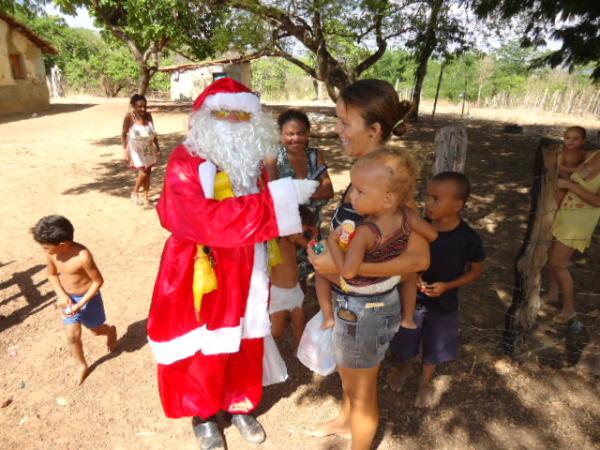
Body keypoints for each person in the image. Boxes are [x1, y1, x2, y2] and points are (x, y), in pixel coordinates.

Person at [146, 78, 318, 450]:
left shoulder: (251, 162)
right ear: (205, 117)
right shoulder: (185, 161)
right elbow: (197, 220)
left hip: (251, 265)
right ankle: (205, 414)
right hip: (201, 269)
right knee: (205, 343)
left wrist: (287, 208)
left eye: (244, 114)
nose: (234, 122)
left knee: (247, 338)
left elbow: (260, 213)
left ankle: (240, 403)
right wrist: (279, 203)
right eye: (224, 113)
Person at [307, 79, 431, 450]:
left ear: (374, 130)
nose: (337, 130)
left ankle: (356, 426)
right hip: (351, 304)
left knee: (364, 390)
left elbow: (418, 258)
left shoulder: (390, 181)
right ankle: (345, 421)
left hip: (368, 308)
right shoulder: (365, 174)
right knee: (349, 375)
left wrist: (345, 270)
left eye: (345, 123)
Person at [387, 172, 485, 408]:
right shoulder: (419, 227)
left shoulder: (469, 238)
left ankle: (424, 381)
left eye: (436, 199)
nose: (428, 204)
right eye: (428, 197)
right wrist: (415, 276)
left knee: (435, 343)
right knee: (406, 337)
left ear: (458, 205)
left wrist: (447, 286)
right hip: (414, 299)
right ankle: (405, 367)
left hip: (445, 303)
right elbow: (406, 257)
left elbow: (475, 271)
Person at [31, 215, 117, 385]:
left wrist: (81, 303)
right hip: (68, 301)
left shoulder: (82, 256)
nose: (44, 251)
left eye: (46, 247)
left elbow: (98, 281)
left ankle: (110, 331)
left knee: (95, 331)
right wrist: (62, 295)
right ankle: (81, 366)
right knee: (72, 336)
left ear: (61, 244)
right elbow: (51, 274)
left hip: (87, 300)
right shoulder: (52, 254)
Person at [265, 109, 334, 280]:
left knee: (316, 264)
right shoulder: (273, 158)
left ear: (308, 133)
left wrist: (292, 192)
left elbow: (328, 190)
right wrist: (308, 190)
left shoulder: (315, 155)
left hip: (313, 227)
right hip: (287, 232)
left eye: (300, 133)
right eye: (289, 134)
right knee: (287, 276)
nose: (295, 138)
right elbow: (272, 197)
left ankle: (311, 301)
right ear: (281, 135)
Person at [546, 143, 600, 322]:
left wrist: (569, 185)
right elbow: (575, 174)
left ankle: (569, 310)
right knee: (551, 254)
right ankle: (553, 294)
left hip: (579, 223)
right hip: (565, 212)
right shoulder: (593, 155)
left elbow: (597, 201)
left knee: (558, 263)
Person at [269, 206, 318, 349]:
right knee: (276, 332)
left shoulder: (294, 238)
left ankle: (299, 353)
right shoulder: (275, 238)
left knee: (299, 326)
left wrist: (313, 239)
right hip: (278, 293)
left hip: (295, 290)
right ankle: (269, 357)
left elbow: (318, 251)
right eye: (302, 227)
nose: (304, 231)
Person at [121, 94, 161, 207]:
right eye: (139, 106)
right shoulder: (129, 117)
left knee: (148, 172)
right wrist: (124, 150)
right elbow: (124, 134)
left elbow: (154, 133)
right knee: (143, 171)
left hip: (148, 148)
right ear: (133, 106)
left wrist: (158, 148)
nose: (142, 109)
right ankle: (134, 191)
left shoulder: (148, 116)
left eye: (144, 106)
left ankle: (145, 197)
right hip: (135, 149)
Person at [555, 126, 588, 207]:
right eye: (567, 138)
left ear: (583, 141)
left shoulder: (582, 153)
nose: (571, 141)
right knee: (560, 196)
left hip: (574, 179)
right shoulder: (563, 153)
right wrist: (575, 169)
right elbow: (560, 167)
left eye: (575, 139)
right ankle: (555, 212)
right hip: (561, 179)